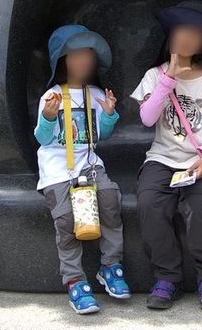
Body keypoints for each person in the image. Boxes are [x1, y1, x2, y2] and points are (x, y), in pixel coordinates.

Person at [130, 0, 202, 310]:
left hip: (198, 163)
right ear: (170, 34)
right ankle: (167, 278)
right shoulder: (155, 76)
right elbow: (147, 118)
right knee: (149, 204)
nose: (186, 38)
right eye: (181, 30)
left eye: (196, 33)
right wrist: (169, 79)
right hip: (161, 160)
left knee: (198, 210)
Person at [34, 24, 131, 314]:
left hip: (89, 165)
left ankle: (111, 266)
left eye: (88, 57)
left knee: (110, 201)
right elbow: (42, 138)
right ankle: (75, 280)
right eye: (76, 56)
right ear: (63, 60)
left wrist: (110, 114)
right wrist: (49, 118)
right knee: (65, 221)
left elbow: (101, 134)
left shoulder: (95, 94)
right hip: (58, 169)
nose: (83, 62)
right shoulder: (51, 96)